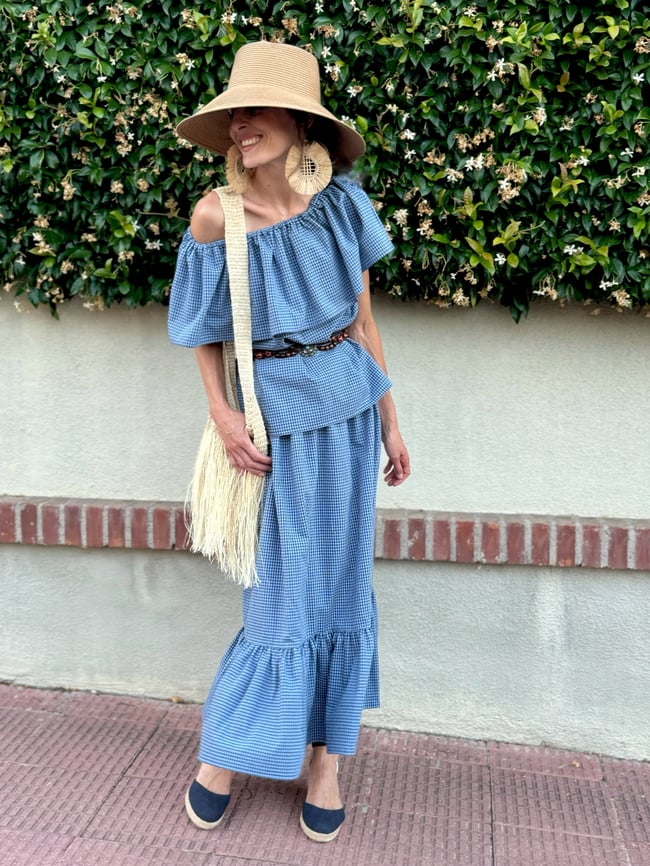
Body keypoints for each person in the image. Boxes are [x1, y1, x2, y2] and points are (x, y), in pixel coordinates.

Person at [168, 41, 410, 844]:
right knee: (278, 596)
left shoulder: (342, 205)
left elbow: (364, 320)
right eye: (234, 114)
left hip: (348, 411)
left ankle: (327, 761)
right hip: (274, 427)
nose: (241, 126)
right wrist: (222, 414)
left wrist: (393, 421)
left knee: (342, 587)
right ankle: (225, 756)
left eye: (256, 110)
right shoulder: (217, 216)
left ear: (302, 122)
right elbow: (202, 334)